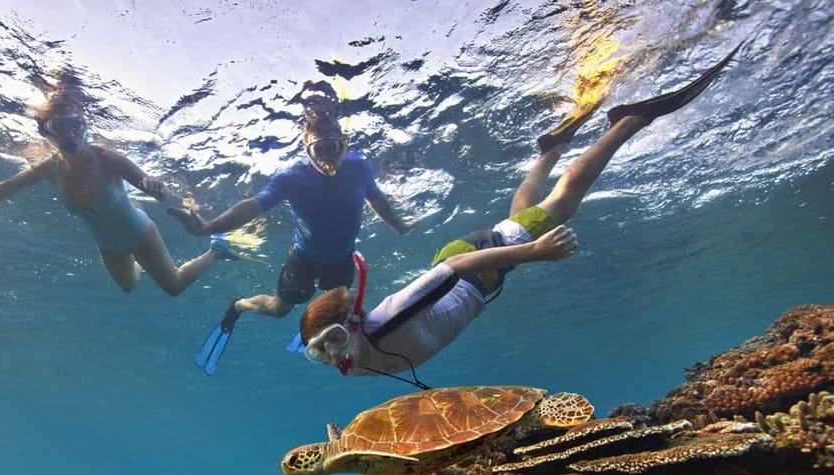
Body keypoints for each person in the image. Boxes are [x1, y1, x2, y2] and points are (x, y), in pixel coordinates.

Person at [299, 44, 741, 385]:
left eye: (333, 340)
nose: (333, 355)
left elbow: (452, 268)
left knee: (563, 203)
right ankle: (548, 152)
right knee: (524, 215)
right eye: (320, 354)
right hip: (480, 270)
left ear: (353, 324)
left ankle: (629, 121)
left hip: (472, 266)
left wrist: (534, 253)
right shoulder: (355, 360)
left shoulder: (383, 321)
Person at [167, 80, 416, 373]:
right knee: (278, 311)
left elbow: (377, 199)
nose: (327, 160)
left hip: (342, 259)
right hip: (303, 258)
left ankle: (316, 332)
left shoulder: (359, 169)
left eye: (332, 148)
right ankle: (239, 305)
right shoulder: (292, 177)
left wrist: (399, 224)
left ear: (343, 142)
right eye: (318, 151)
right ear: (305, 148)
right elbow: (251, 205)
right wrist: (208, 227)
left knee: (338, 310)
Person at [0, 77, 232, 296]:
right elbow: (5, 188)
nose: (69, 134)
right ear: (45, 133)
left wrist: (157, 189)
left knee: (174, 287)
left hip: (139, 232)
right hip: (108, 244)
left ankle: (216, 252)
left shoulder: (108, 158)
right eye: (58, 127)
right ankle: (139, 251)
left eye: (76, 124)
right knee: (128, 287)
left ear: (85, 126)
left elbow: (160, 192)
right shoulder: (49, 168)